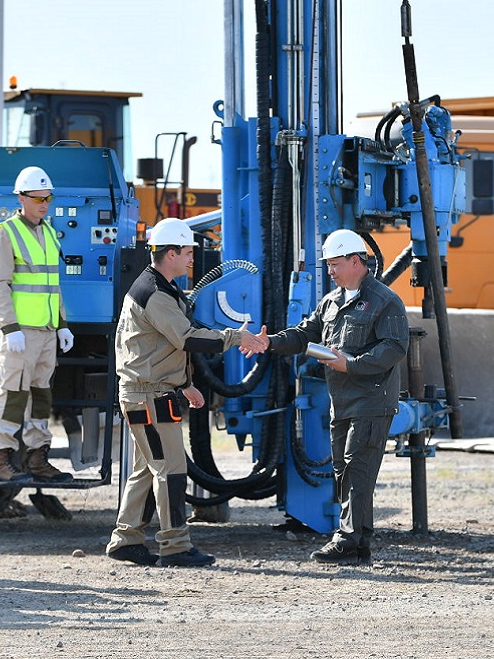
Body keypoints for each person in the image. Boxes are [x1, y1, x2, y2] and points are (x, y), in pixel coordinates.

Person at [107, 218, 264, 567]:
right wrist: (236, 337)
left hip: (146, 392)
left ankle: (126, 539)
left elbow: (159, 346)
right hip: (149, 396)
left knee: (147, 469)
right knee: (172, 471)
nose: (193, 257)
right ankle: (175, 546)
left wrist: (185, 384)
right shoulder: (156, 294)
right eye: (188, 251)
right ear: (171, 253)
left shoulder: (158, 288)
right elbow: (187, 338)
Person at [250, 229, 409, 565]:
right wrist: (271, 342)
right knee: (344, 470)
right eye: (328, 265)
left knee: (357, 468)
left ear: (357, 261)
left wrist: (351, 364)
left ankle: (346, 539)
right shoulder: (332, 302)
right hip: (342, 401)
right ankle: (360, 542)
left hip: (372, 400)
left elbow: (394, 347)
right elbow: (305, 335)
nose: (330, 271)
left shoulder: (385, 301)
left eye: (336, 264)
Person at [0, 166, 75, 483]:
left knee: (41, 395)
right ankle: (2, 460)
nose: (44, 204)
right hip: (21, 332)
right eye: (38, 198)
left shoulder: (49, 232)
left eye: (48, 198)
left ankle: (38, 458)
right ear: (21, 198)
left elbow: (53, 285)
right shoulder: (6, 232)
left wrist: (62, 324)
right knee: (12, 393)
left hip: (47, 331)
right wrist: (10, 328)